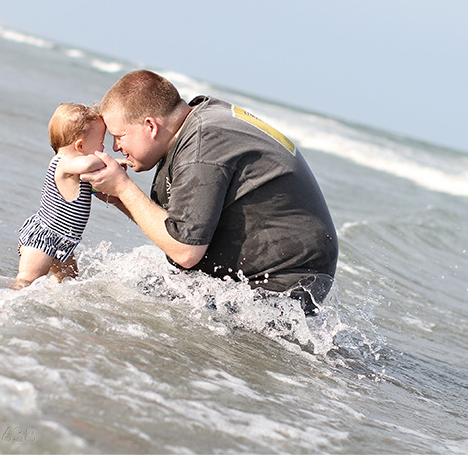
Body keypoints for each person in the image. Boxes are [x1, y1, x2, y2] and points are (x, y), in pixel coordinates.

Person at [82, 70, 338, 313]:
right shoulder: (199, 122)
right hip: (282, 271)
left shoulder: (201, 145)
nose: (115, 147)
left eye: (119, 135)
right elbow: (176, 226)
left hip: (283, 282)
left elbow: (185, 251)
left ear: (150, 126)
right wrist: (118, 197)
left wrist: (123, 187)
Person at [15, 102, 110, 288]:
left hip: (63, 242)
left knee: (69, 281)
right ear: (80, 145)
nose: (103, 150)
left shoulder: (77, 172)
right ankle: (3, 301)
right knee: (26, 281)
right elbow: (87, 164)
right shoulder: (63, 163)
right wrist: (111, 162)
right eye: (101, 143)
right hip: (43, 240)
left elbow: (94, 187)